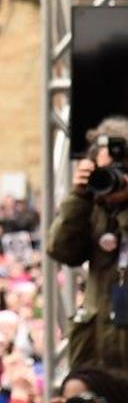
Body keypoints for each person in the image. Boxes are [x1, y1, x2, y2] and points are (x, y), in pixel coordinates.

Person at [46, 116, 128, 369]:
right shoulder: (90, 207)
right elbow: (61, 250)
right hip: (99, 354)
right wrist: (79, 197)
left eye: (122, 169)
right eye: (106, 170)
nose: (113, 178)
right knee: (74, 399)